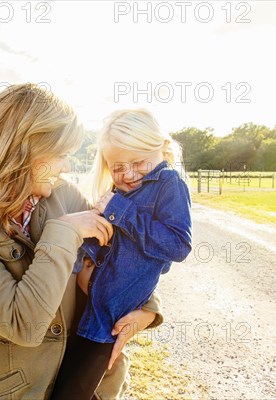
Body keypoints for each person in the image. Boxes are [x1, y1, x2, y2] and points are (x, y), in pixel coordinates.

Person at [0, 84, 164, 399]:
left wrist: (148, 308)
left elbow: (122, 259)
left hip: (93, 383)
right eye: (62, 155)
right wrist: (64, 233)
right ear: (26, 150)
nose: (67, 166)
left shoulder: (65, 195)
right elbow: (23, 324)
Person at [51, 109, 193, 399]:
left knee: (74, 391)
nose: (128, 174)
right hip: (83, 303)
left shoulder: (170, 183)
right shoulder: (123, 190)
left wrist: (122, 211)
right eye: (118, 167)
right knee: (60, 380)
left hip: (108, 317)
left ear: (161, 148)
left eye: (138, 163)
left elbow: (178, 245)